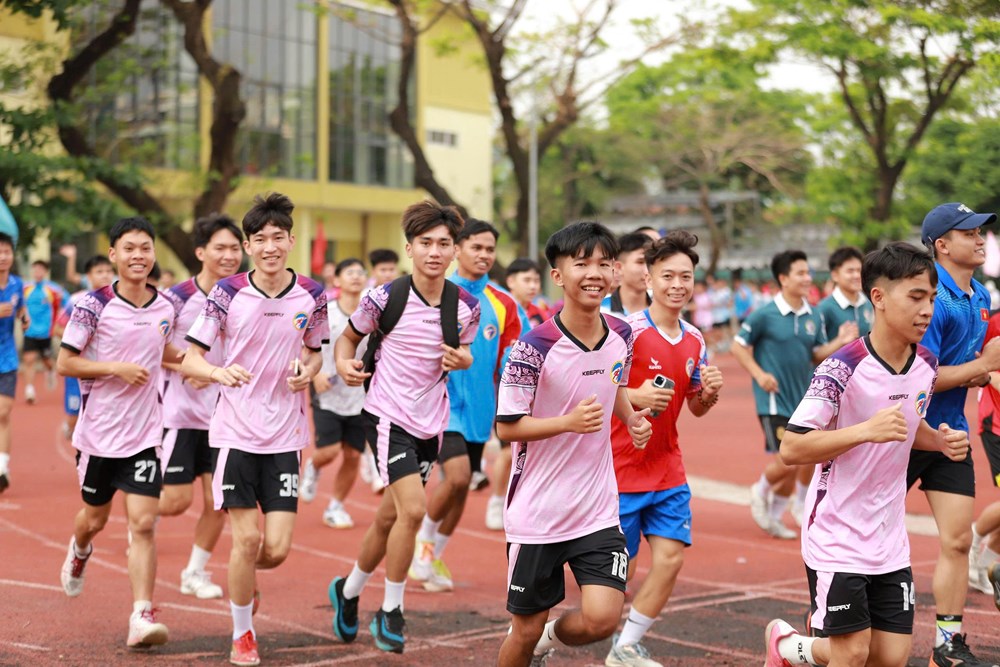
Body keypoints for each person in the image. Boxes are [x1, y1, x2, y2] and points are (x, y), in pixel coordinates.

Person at [764, 242, 970, 667]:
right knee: (851, 653)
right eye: (915, 297)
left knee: (890, 658)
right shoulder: (842, 367)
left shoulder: (926, 365)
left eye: (931, 298)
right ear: (878, 297)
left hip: (888, 537)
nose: (927, 310)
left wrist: (939, 440)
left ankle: (789, 649)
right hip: (836, 534)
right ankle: (786, 644)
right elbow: (792, 446)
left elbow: (909, 427)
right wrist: (864, 431)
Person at [494, 221, 652, 667]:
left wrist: (630, 416)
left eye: (603, 263)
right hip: (537, 514)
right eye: (581, 263)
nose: (594, 273)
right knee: (521, 630)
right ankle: (533, 639)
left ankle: (548, 639)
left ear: (616, 272)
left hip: (596, 507)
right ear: (558, 275)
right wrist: (566, 423)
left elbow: (614, 384)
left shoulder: (622, 334)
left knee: (602, 619)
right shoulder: (533, 347)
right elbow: (507, 427)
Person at [181, 193, 329, 667]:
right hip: (233, 432)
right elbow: (191, 357)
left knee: (276, 549)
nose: (270, 246)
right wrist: (217, 373)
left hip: (286, 435)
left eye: (278, 237)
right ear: (248, 245)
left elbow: (315, 350)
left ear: (290, 240)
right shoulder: (226, 293)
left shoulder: (312, 294)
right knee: (245, 540)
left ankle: (245, 579)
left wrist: (308, 371)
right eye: (260, 239)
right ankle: (242, 633)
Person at [328, 202, 479, 654]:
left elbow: (465, 352)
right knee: (412, 510)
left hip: (431, 422)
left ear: (455, 250)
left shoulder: (465, 306)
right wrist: (343, 364)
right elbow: (349, 338)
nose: (435, 252)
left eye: (443, 244)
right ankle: (392, 609)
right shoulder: (384, 298)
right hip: (387, 415)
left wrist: (464, 358)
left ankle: (349, 591)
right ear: (410, 248)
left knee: (390, 516)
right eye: (426, 243)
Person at [56, 216, 181, 649]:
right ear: (113, 254)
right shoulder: (93, 306)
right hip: (98, 436)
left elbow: (164, 351)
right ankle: (80, 549)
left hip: (146, 434)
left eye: (145, 248)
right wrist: (115, 368)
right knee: (95, 518)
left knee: (144, 523)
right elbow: (65, 362)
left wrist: (202, 368)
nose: (138, 256)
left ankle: (141, 615)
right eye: (129, 248)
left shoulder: (166, 305)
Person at [604, 230, 723, 667]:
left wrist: (708, 392)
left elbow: (695, 408)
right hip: (618, 470)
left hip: (667, 468)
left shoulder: (695, 339)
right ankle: (543, 634)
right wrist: (635, 396)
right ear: (649, 280)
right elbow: (601, 390)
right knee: (620, 576)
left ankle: (627, 646)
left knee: (671, 559)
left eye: (686, 276)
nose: (678, 284)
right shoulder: (624, 332)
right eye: (667, 275)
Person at [909, 202, 1000, 667]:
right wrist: (981, 367)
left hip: (952, 432)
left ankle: (947, 644)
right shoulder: (930, 298)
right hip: (904, 431)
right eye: (970, 233)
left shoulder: (981, 297)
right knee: (869, 538)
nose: (981, 238)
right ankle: (833, 625)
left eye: (982, 231)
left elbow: (964, 369)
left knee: (958, 540)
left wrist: (977, 374)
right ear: (942, 245)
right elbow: (917, 377)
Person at [410, 218, 520, 591]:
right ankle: (423, 541)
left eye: (490, 249)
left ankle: (434, 553)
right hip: (438, 405)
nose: (484, 255)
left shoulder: (503, 303)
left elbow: (510, 361)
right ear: (458, 249)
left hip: (479, 412)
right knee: (455, 477)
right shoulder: (436, 291)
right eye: (477, 247)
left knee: (462, 486)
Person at [731, 250, 857, 539]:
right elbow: (738, 346)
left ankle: (775, 514)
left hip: (803, 399)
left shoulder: (813, 314)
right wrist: (760, 374)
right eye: (800, 273)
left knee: (799, 459)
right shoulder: (765, 314)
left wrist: (840, 341)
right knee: (791, 457)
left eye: (808, 273)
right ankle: (760, 489)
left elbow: (817, 355)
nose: (807, 278)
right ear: (783, 278)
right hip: (774, 399)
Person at [158, 214, 244, 601]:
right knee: (175, 502)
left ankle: (194, 571)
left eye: (234, 248)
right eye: (220, 248)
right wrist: (189, 366)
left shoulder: (246, 297)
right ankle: (140, 519)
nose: (229, 256)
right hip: (181, 415)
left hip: (225, 418)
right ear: (200, 252)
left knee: (218, 502)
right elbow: (153, 346)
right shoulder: (176, 299)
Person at [300, 258, 369, 529]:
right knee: (328, 451)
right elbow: (305, 346)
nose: (356, 276)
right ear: (336, 281)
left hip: (359, 395)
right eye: (349, 272)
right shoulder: (325, 312)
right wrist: (315, 374)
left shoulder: (371, 314)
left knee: (353, 455)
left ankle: (336, 505)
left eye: (360, 272)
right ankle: (314, 467)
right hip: (326, 390)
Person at [54, 256, 116, 441]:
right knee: (75, 412)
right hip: (79, 366)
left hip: (105, 366)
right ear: (88, 276)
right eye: (99, 272)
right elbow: (58, 328)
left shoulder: (118, 300)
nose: (105, 275)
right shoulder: (77, 299)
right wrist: (81, 337)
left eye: (108, 271)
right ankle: (70, 427)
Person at [358, 247, 402, 492]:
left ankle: (377, 464)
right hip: (369, 366)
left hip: (393, 368)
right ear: (374, 272)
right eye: (383, 269)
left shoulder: (402, 293)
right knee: (374, 417)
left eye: (391, 269)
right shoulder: (368, 297)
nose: (387, 273)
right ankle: (375, 466)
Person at [971, 311, 1000, 609]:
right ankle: (973, 540)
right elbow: (986, 372)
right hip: (997, 425)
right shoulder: (994, 322)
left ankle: (990, 568)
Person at [0, 233, 27, 493]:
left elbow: (21, 308)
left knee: (3, 413)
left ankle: (2, 468)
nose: (3, 257)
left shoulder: (17, 284)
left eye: (6, 252)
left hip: (7, 358)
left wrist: (23, 316)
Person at [22, 259, 68, 403]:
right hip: (29, 331)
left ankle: (50, 371)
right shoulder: (25, 288)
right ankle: (29, 389)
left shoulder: (53, 289)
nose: (37, 272)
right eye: (35, 269)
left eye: (40, 269)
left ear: (45, 272)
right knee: (29, 359)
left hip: (46, 332)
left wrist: (60, 324)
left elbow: (69, 304)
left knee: (46, 360)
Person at [601, 232, 652, 316]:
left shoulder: (663, 311)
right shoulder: (600, 310)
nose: (647, 271)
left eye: (651, 262)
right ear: (618, 267)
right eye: (640, 262)